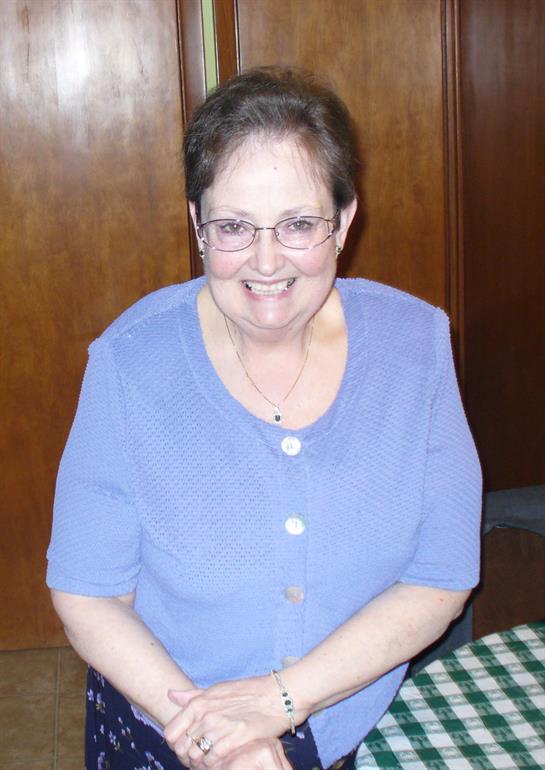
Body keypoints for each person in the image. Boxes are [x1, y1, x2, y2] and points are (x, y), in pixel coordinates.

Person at [46, 67, 482, 770]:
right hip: (168, 725)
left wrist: (279, 703)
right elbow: (89, 596)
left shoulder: (416, 347)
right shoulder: (129, 364)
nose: (267, 261)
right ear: (197, 226)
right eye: (233, 227)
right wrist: (215, 735)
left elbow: (441, 575)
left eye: (298, 224)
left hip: (350, 721)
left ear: (343, 222)